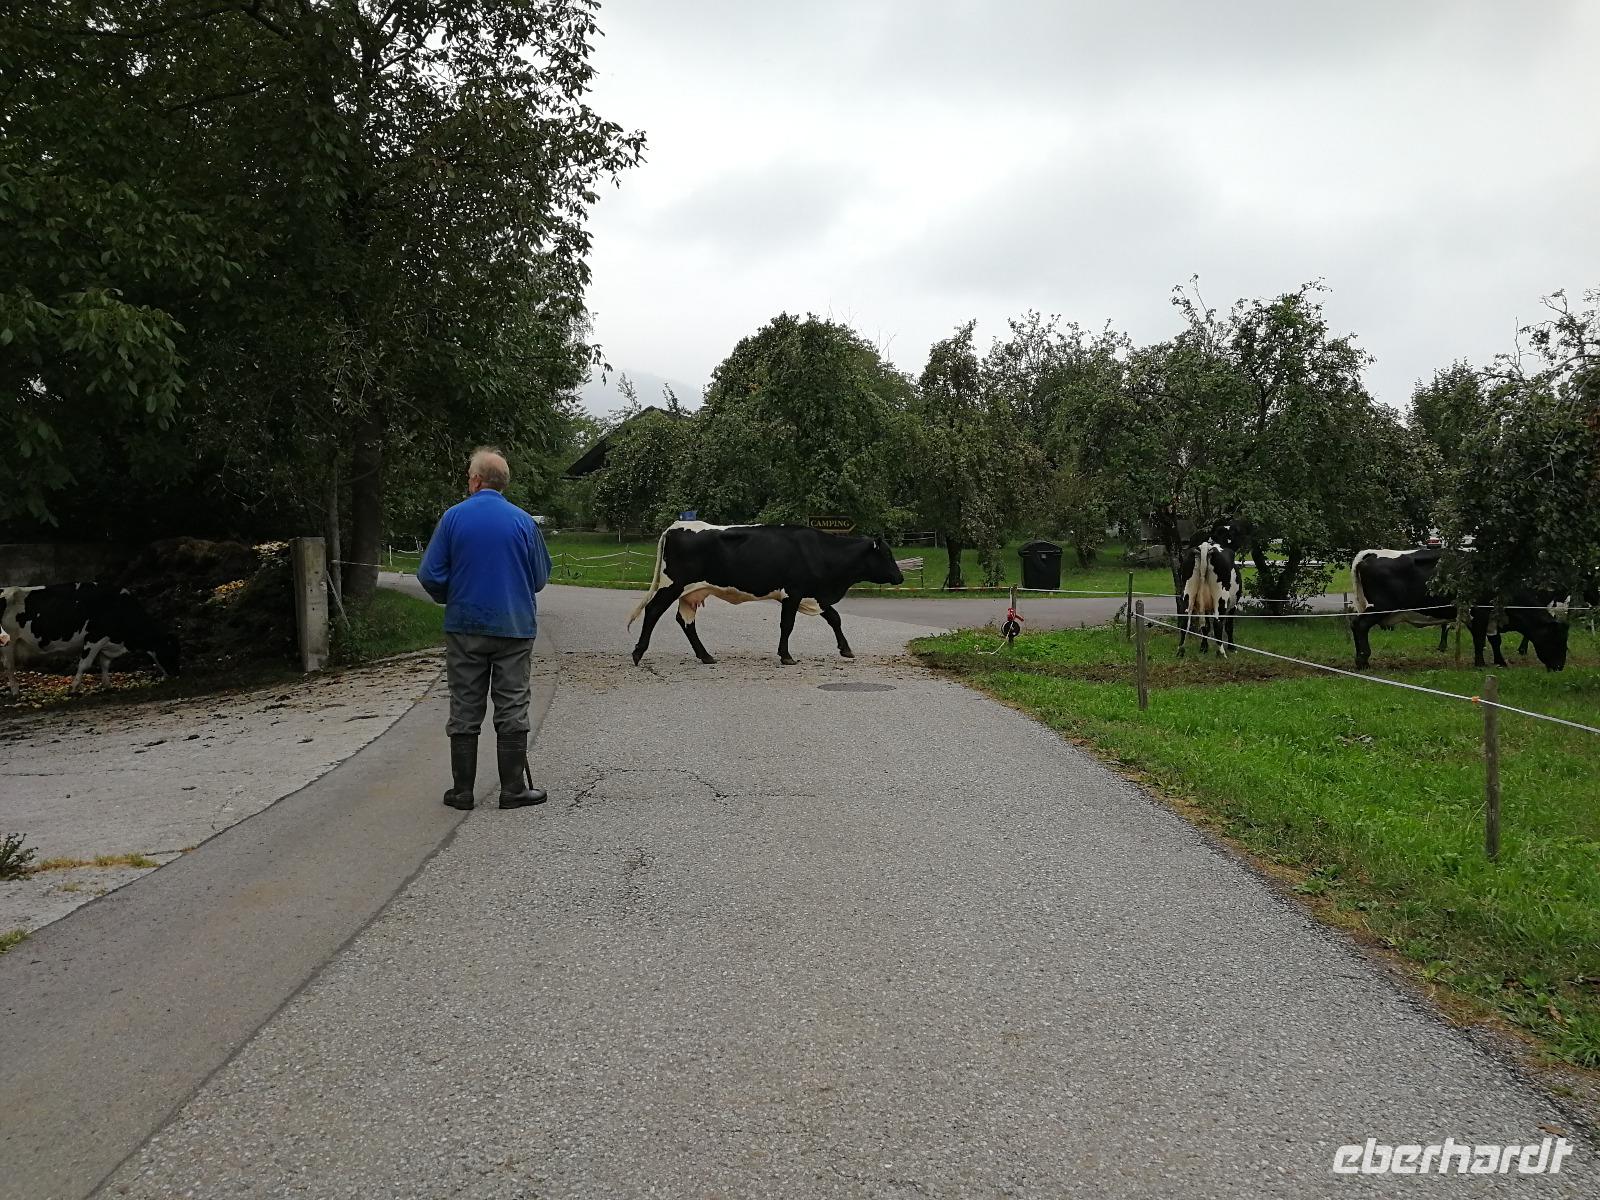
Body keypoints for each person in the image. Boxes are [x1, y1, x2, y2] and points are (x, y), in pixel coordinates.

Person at [417, 447, 553, 810]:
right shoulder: (524, 522)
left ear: (475, 480)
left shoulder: (452, 518)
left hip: (465, 627)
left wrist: (453, 595)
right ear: (503, 483)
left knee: (464, 704)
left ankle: (462, 792)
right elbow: (540, 578)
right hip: (514, 626)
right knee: (512, 704)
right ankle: (513, 790)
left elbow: (429, 574)